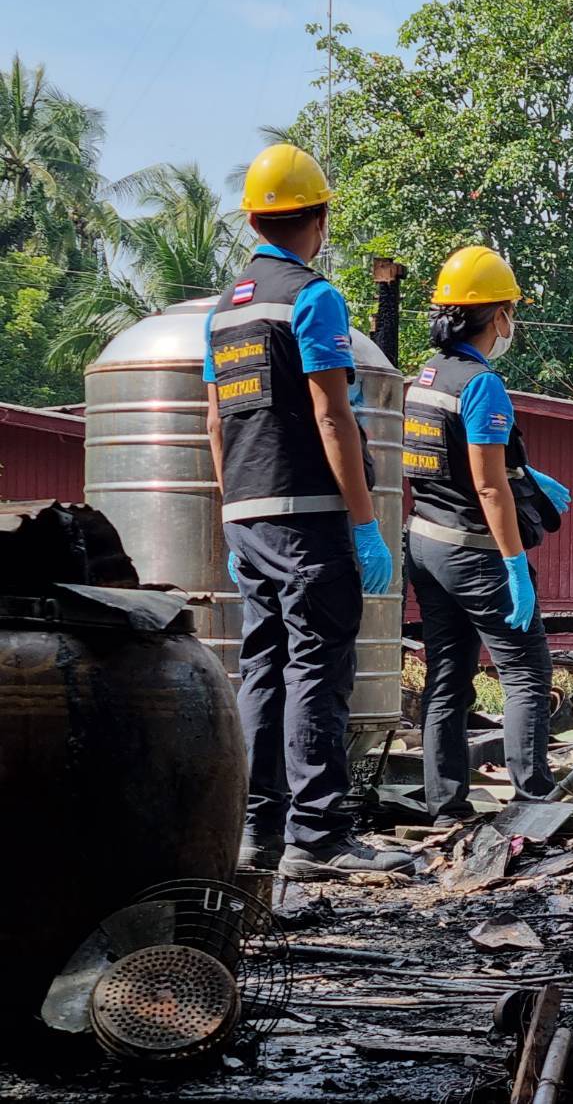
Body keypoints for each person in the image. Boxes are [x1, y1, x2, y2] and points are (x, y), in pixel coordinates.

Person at [205, 143, 413, 880]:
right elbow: (332, 416)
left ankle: (258, 832)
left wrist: (232, 515)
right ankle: (319, 834)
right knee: (318, 668)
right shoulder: (312, 297)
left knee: (262, 669)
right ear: (319, 220)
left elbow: (214, 421)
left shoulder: (224, 312)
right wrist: (364, 522)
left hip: (249, 515)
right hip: (309, 513)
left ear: (255, 220)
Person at [403, 246, 571, 823]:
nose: (510, 324)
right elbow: (488, 486)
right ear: (496, 316)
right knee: (526, 671)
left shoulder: (423, 378)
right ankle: (533, 798)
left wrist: (521, 469)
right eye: (510, 312)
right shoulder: (481, 384)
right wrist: (515, 564)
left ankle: (444, 805)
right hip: (472, 551)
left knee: (447, 674)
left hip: (423, 542)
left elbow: (439, 460)